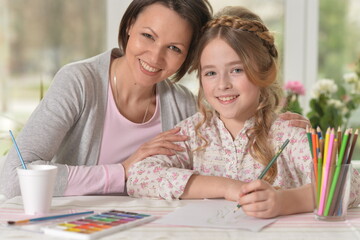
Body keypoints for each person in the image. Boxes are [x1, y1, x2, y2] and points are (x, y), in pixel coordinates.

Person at [0, 1, 307, 199]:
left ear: (188, 57)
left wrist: (278, 120)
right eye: (148, 35)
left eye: (174, 48)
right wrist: (121, 171)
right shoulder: (79, 83)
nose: (155, 56)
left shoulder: (183, 106)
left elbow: (235, 109)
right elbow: (13, 179)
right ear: (129, 25)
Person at [126, 8, 360, 218]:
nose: (223, 84)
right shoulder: (192, 132)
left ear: (264, 72)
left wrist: (283, 202)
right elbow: (138, 177)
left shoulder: (288, 132)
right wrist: (228, 187)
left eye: (236, 70)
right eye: (210, 73)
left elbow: (350, 185)